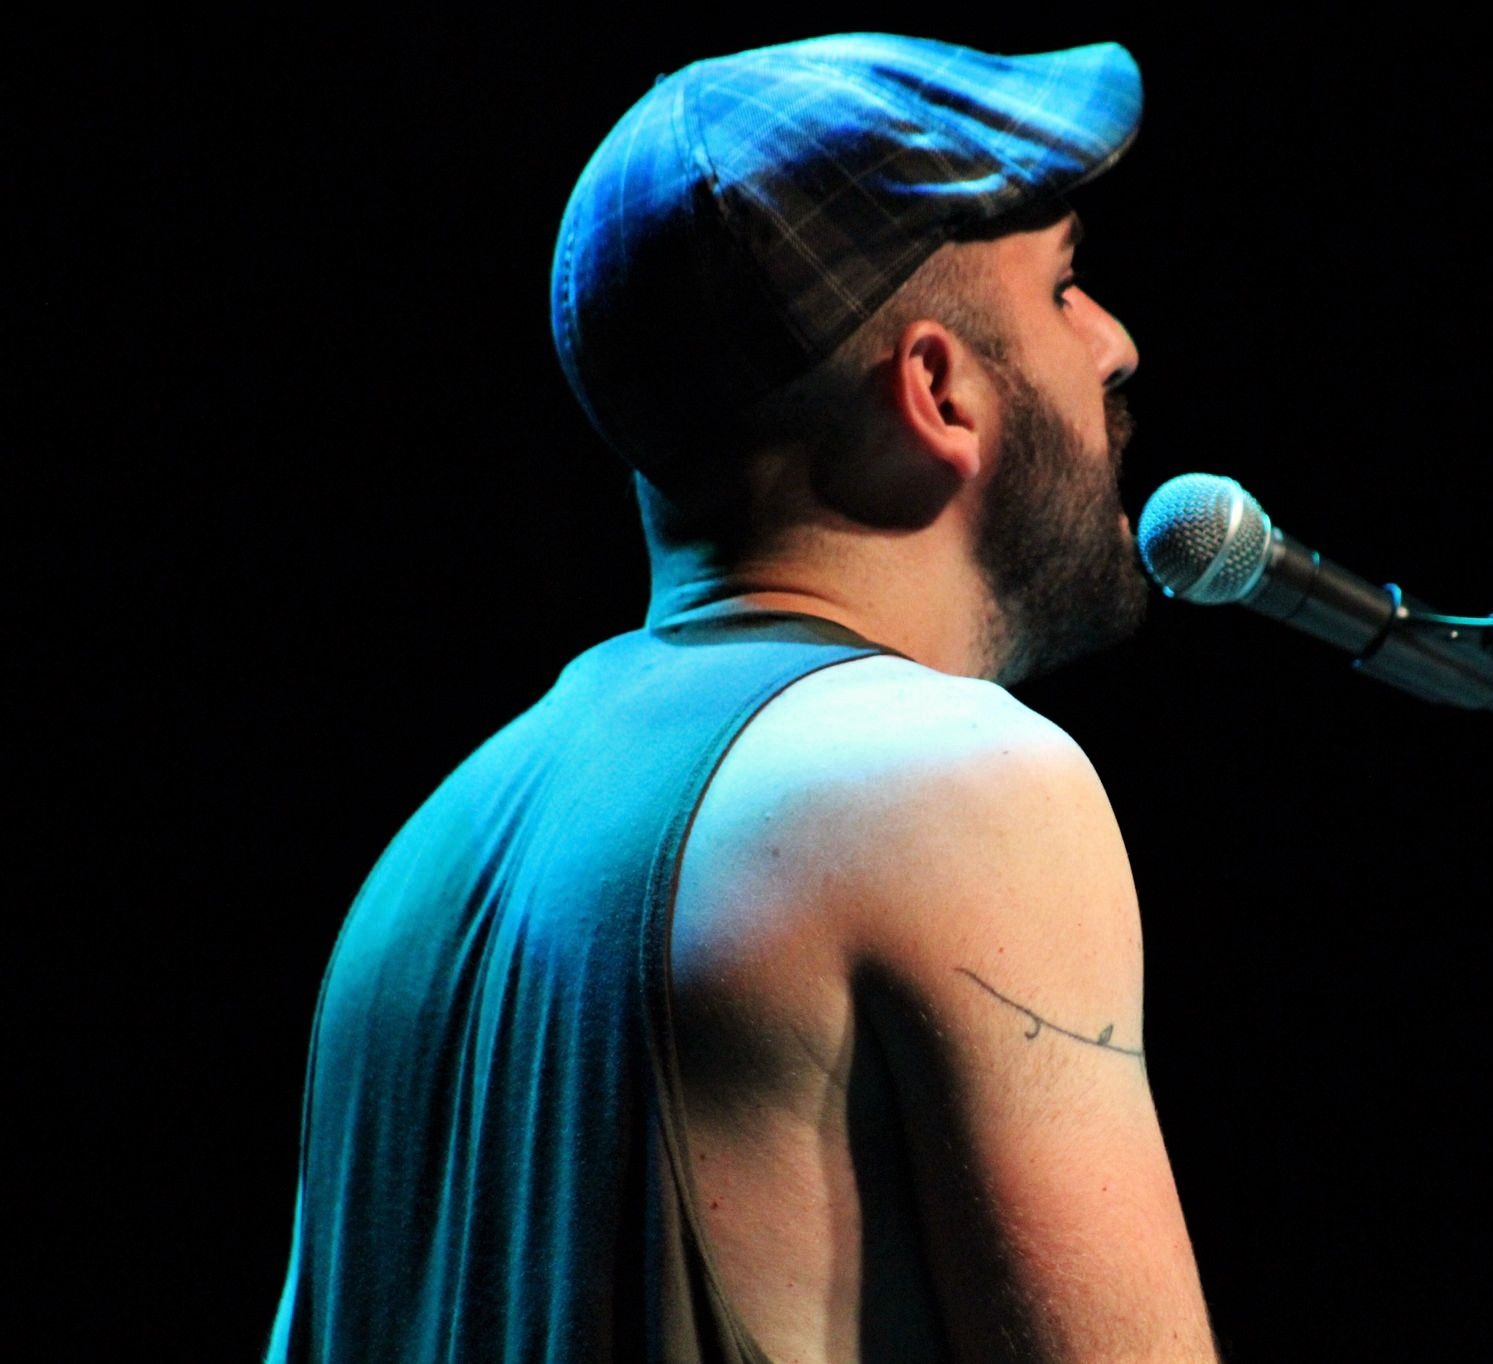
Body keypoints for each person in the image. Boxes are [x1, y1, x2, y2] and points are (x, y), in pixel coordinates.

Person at [268, 33, 1217, 1363]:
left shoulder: (417, 869)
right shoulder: (953, 782)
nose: (1114, 344)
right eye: (1063, 288)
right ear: (935, 386)